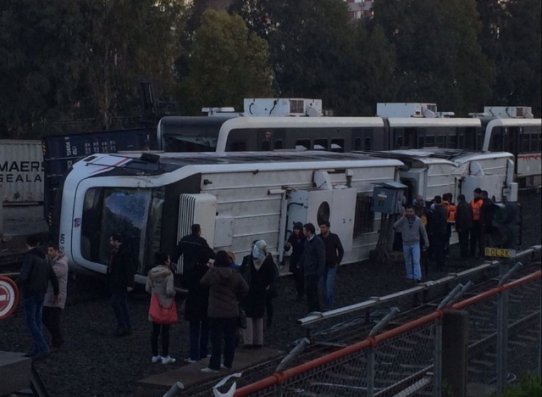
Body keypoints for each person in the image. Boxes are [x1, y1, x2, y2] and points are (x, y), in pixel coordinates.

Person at [200, 251, 248, 372]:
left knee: (216, 339)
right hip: (232, 311)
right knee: (230, 338)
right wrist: (237, 299)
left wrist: (210, 269)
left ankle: (214, 365)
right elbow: (245, 288)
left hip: (215, 311)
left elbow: (203, 283)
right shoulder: (235, 274)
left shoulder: (213, 272)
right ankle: (227, 363)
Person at [18, 236, 59, 360]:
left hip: (30, 293)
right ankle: (36, 349)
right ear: (38, 243)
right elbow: (53, 276)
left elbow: (24, 276)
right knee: (37, 320)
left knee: (31, 322)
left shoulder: (29, 257)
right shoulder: (45, 257)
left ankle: (43, 348)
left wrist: (13, 285)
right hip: (42, 293)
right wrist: (56, 292)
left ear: (27, 244)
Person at [240, 240, 277, 347]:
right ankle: (258, 341)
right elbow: (272, 276)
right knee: (259, 316)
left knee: (248, 315)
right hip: (262, 291)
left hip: (249, 291)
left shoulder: (248, 259)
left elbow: (242, 273)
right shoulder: (268, 261)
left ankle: (248, 341)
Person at [182, 247, 213, 363]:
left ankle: (194, 355)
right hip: (207, 302)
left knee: (194, 330)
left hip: (193, 302)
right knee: (206, 329)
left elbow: (184, 283)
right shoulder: (210, 272)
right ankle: (204, 352)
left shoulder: (191, 270)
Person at [146, 252, 177, 364]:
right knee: (165, 331)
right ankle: (165, 356)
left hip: (155, 303)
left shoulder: (151, 272)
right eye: (168, 259)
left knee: (155, 331)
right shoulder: (169, 274)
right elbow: (169, 291)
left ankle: (155, 355)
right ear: (165, 261)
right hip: (166, 304)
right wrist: (174, 293)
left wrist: (155, 293)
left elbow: (147, 288)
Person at [108, 233, 137, 336]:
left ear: (117, 241)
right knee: (122, 305)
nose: (110, 243)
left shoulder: (123, 253)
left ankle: (122, 325)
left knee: (116, 303)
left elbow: (129, 269)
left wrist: (130, 283)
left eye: (111, 240)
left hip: (120, 282)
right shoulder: (120, 252)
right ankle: (126, 326)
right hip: (119, 282)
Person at [42, 242, 69, 350]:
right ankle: (56, 340)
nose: (49, 253)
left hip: (56, 297)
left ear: (57, 251)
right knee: (48, 319)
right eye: (48, 250)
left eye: (51, 250)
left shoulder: (61, 264)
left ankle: (58, 340)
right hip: (50, 295)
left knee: (52, 320)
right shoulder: (54, 261)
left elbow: (50, 274)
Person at [393, 206, 430, 282]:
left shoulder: (418, 220)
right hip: (406, 243)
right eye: (407, 211)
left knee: (416, 260)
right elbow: (395, 226)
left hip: (415, 243)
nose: (409, 213)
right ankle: (409, 276)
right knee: (407, 261)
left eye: (411, 211)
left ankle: (417, 277)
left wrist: (426, 243)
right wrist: (402, 218)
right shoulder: (403, 220)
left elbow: (423, 232)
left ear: (414, 212)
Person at [299, 223, 325, 313]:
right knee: (310, 290)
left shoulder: (318, 241)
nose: (303, 232)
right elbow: (305, 254)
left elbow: (321, 257)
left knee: (312, 290)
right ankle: (315, 308)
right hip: (307, 270)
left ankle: (313, 309)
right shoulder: (307, 241)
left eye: (304, 230)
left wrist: (319, 272)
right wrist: (301, 264)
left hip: (314, 271)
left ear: (309, 231)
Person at [318, 221, 344, 309]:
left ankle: (329, 306)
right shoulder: (319, 238)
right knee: (323, 287)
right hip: (322, 266)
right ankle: (326, 304)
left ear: (328, 228)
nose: (322, 229)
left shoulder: (334, 237)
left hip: (332, 265)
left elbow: (341, 250)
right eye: (321, 227)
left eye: (323, 227)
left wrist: (338, 262)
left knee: (329, 286)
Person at [285, 222, 305, 301]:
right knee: (296, 277)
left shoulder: (304, 237)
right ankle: (299, 292)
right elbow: (288, 246)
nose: (296, 231)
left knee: (301, 277)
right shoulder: (292, 236)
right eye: (295, 229)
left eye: (297, 229)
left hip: (302, 258)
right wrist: (286, 246)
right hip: (295, 257)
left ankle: (301, 292)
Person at [429, 196, 448, 270]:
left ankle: (439, 265)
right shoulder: (444, 209)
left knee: (437, 248)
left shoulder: (436, 210)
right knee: (441, 247)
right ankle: (442, 263)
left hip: (437, 232)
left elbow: (435, 222)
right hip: (443, 231)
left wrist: (431, 230)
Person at [455, 194, 472, 259]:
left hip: (462, 226)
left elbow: (460, 217)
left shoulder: (460, 206)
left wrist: (458, 227)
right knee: (466, 240)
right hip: (468, 226)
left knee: (462, 241)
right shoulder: (468, 205)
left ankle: (463, 254)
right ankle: (466, 253)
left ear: (459, 199)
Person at [470, 188, 484, 258]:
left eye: (475, 193)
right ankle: (472, 253)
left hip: (479, 222)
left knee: (480, 239)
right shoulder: (472, 201)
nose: (474, 195)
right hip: (473, 221)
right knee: (473, 238)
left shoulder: (481, 202)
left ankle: (480, 253)